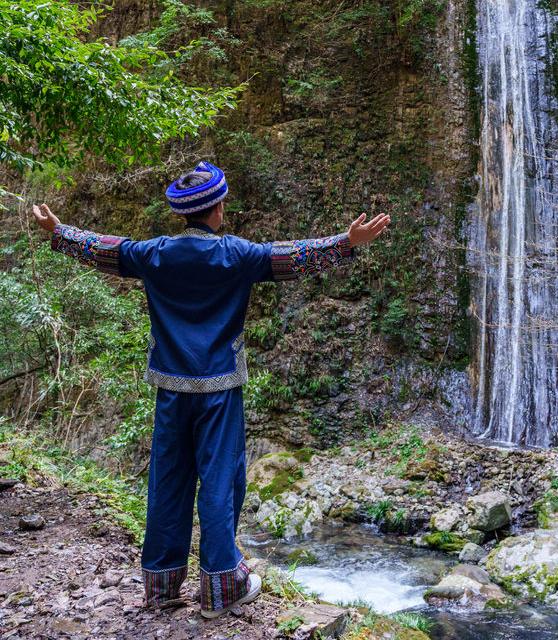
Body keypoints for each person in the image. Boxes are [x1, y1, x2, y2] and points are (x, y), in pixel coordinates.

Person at [32, 160, 390, 619]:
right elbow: (294, 256)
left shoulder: (154, 253)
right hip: (219, 389)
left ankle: (161, 588)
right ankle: (221, 590)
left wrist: (59, 232)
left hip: (170, 388)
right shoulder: (236, 255)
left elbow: (104, 250)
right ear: (216, 207)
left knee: (168, 481)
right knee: (219, 482)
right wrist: (346, 244)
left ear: (184, 212)